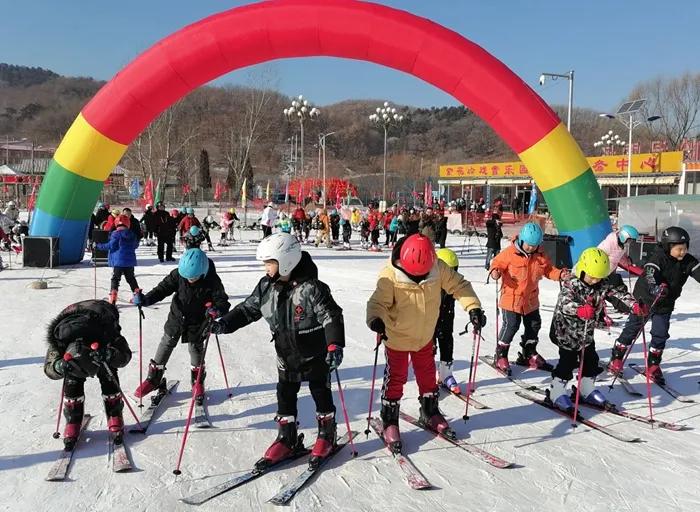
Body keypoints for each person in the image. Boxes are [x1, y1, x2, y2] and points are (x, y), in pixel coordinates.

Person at [211, 233, 345, 468]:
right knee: (285, 393)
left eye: (269, 263)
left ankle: (326, 434)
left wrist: (334, 343)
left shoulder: (312, 288)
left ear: (287, 261)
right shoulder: (266, 286)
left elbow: (331, 315)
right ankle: (287, 437)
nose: (266, 268)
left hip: (315, 352)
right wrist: (225, 323)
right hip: (286, 352)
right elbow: (247, 310)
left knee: (320, 391)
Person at [366, 234, 484, 452]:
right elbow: (377, 302)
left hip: (424, 336)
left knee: (427, 374)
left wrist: (473, 307)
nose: (419, 277)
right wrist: (375, 319)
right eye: (414, 274)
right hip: (397, 338)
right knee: (396, 378)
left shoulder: (437, 267)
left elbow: (460, 285)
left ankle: (430, 410)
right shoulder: (390, 275)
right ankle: (390, 419)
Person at [133, 248, 230, 401]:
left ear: (203, 271)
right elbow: (162, 289)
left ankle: (197, 382)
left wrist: (216, 310)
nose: (190, 280)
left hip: (198, 321)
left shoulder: (212, 280)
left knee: (195, 348)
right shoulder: (178, 274)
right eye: (187, 277)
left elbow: (223, 301)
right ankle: (153, 379)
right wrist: (146, 299)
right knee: (167, 342)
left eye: (194, 277)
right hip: (177, 317)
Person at [607, 226, 700, 384]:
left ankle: (653, 365)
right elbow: (650, 273)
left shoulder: (687, 261)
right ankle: (616, 358)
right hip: (645, 299)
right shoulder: (658, 258)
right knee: (632, 330)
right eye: (679, 249)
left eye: (685, 248)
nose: (682, 252)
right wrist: (655, 287)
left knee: (660, 333)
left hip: (665, 303)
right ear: (667, 246)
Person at [548, 248, 637, 411]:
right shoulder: (571, 283)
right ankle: (557, 392)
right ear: (582, 270)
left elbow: (618, 294)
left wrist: (634, 304)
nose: (595, 280)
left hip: (586, 333)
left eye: (599, 277)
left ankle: (585, 389)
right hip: (566, 332)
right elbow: (564, 304)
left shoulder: (602, 284)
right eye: (591, 276)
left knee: (591, 361)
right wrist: (579, 309)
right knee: (567, 363)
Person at [44, 300, 132, 448]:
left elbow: (125, 355)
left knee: (107, 368)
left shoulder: (107, 331)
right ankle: (73, 417)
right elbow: (49, 367)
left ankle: (114, 412)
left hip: (102, 314)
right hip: (73, 319)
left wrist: (110, 354)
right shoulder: (60, 339)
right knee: (71, 372)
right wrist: (60, 366)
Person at [488, 222, 567, 374]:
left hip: (530, 300)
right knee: (511, 325)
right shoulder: (510, 253)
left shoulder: (540, 255)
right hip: (511, 299)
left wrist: (560, 275)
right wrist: (495, 271)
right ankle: (501, 355)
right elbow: (496, 263)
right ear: (522, 240)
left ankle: (528, 353)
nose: (531, 248)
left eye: (535, 245)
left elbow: (549, 270)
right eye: (529, 245)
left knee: (534, 325)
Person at [433, 248, 464, 393]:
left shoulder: (454, 283)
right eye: (448, 270)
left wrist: (475, 311)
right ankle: (428, 377)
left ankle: (446, 375)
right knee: (429, 349)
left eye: (454, 270)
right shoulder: (429, 284)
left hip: (446, 320)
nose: (450, 275)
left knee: (447, 345)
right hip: (429, 323)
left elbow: (465, 294)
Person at [96, 214, 140, 305]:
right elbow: (135, 245)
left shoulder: (115, 234)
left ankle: (113, 296)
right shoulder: (132, 234)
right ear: (128, 224)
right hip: (129, 262)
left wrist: (98, 245)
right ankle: (137, 297)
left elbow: (110, 245)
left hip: (118, 262)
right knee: (131, 279)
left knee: (115, 279)